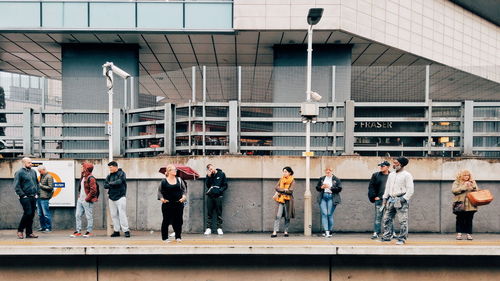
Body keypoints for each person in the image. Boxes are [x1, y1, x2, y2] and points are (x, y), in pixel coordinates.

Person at [381, 157, 414, 245]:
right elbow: (387, 187)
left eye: (396, 163)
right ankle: (387, 236)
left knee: (402, 220)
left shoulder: (407, 175)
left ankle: (402, 238)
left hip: (401, 199)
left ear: (401, 164)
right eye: (394, 163)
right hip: (391, 199)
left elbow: (410, 189)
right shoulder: (391, 174)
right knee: (387, 218)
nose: (394, 164)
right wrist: (385, 198)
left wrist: (403, 199)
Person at [158, 164, 187, 242]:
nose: (176, 171)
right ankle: (165, 238)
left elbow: (184, 190)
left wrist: (184, 197)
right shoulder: (163, 181)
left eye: (176, 170)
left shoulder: (179, 180)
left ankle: (178, 237)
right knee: (166, 221)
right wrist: (161, 198)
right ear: (169, 171)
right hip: (167, 204)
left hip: (178, 204)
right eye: (174, 170)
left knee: (178, 221)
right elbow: (159, 192)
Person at [70, 162, 99, 238]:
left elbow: (94, 190)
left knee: (89, 216)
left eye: (83, 167)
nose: (81, 168)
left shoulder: (91, 178)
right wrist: (80, 197)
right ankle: (78, 231)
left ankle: (89, 231)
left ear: (86, 168)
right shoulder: (83, 176)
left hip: (87, 200)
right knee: (78, 215)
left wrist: (87, 198)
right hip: (80, 200)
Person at [13, 157, 39, 239]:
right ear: (24, 163)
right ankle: (20, 230)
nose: (31, 164)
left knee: (31, 215)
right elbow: (16, 186)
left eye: (31, 162)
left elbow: (37, 183)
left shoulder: (33, 172)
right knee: (27, 213)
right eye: (29, 163)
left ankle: (29, 233)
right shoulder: (19, 172)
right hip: (25, 197)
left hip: (33, 196)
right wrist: (22, 195)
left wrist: (36, 193)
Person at [104, 161, 130, 238]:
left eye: (111, 167)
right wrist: (112, 184)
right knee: (114, 215)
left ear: (115, 167)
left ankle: (126, 231)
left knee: (122, 214)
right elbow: (105, 185)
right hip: (111, 197)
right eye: (109, 167)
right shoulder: (109, 176)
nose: (110, 169)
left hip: (120, 197)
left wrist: (110, 184)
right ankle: (116, 231)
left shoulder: (122, 173)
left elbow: (119, 182)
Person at [315, 167, 342, 238]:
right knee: (324, 214)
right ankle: (326, 231)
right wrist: (322, 187)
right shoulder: (322, 178)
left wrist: (330, 187)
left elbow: (339, 189)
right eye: (326, 171)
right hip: (323, 197)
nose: (328, 172)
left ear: (332, 171)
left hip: (331, 197)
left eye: (329, 171)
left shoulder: (336, 179)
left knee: (329, 214)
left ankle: (330, 230)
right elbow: (317, 188)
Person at [452, 170, 478, 240]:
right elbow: (454, 190)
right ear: (461, 176)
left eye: (468, 175)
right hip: (460, 204)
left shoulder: (472, 181)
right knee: (460, 219)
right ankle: (459, 234)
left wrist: (472, 186)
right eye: (465, 175)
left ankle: (468, 234)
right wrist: (464, 186)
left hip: (471, 204)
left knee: (469, 219)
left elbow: (476, 191)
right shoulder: (457, 182)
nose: (466, 177)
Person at [367, 161, 390, 239]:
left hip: (389, 200)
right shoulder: (376, 175)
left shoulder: (392, 176)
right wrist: (374, 196)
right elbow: (371, 186)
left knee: (389, 217)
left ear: (388, 167)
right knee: (378, 217)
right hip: (379, 200)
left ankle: (390, 232)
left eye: (383, 166)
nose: (381, 167)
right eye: (380, 166)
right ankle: (376, 232)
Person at [204, 164, 228, 235]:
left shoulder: (221, 174)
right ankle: (208, 228)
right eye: (210, 170)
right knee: (209, 212)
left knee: (219, 212)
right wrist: (208, 177)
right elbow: (208, 185)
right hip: (210, 196)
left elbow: (225, 185)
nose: (211, 170)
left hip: (218, 196)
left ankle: (219, 228)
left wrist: (219, 191)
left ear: (214, 167)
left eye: (212, 168)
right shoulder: (209, 175)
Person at [271, 166, 295, 238]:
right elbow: (276, 187)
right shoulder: (281, 179)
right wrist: (285, 190)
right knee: (277, 216)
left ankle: (286, 231)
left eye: (285, 171)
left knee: (287, 216)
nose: (284, 173)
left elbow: (290, 191)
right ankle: (275, 231)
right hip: (280, 200)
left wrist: (281, 190)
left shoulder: (292, 180)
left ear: (289, 173)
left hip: (288, 200)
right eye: (283, 171)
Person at [37, 165, 54, 232]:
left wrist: (41, 186)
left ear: (44, 170)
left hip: (44, 197)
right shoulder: (42, 176)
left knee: (46, 213)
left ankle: (48, 227)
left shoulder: (49, 176)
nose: (39, 173)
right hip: (39, 197)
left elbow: (50, 187)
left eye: (40, 171)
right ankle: (43, 227)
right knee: (40, 214)